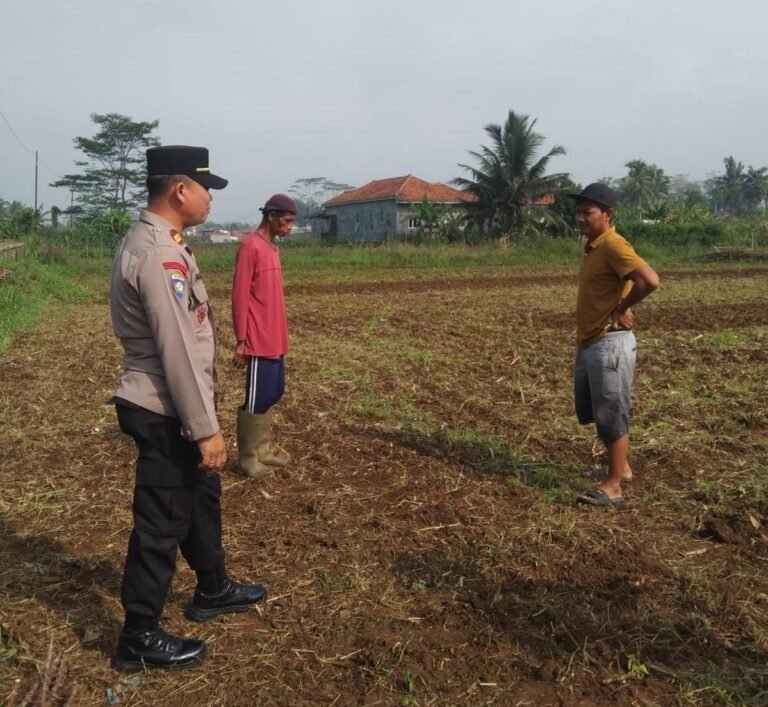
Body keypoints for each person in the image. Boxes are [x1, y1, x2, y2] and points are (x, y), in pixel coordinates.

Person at [109, 145, 267, 672]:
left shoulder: (164, 243)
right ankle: (138, 636)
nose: (211, 199)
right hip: (164, 407)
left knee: (201, 497)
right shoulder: (159, 254)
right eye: (207, 189)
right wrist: (205, 430)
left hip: (172, 402)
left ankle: (213, 588)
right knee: (161, 521)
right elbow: (176, 347)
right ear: (180, 190)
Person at [568, 183, 660, 507]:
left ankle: (614, 486)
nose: (581, 218)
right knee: (598, 411)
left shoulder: (613, 245)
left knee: (612, 414)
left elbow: (649, 280)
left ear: (607, 215)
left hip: (611, 345)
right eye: (578, 212)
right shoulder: (594, 245)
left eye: (588, 212)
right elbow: (618, 283)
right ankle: (623, 469)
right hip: (592, 340)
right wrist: (621, 300)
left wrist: (622, 308)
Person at [231, 194, 296, 479]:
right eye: (287, 221)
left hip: (275, 336)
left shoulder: (271, 248)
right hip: (257, 338)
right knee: (256, 397)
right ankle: (248, 458)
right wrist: (241, 339)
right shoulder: (250, 247)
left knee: (274, 391)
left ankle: (264, 450)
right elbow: (239, 294)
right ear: (271, 216)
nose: (289, 227)